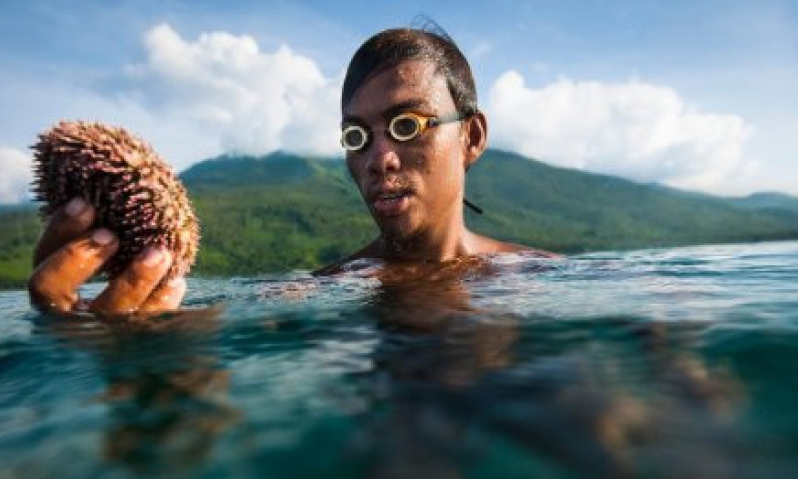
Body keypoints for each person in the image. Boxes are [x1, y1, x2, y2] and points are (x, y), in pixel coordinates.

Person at [28, 26, 550, 316]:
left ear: (473, 137)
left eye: (408, 124)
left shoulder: (542, 274)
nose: (378, 157)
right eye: (356, 136)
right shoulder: (322, 293)